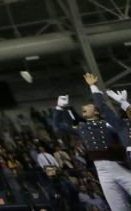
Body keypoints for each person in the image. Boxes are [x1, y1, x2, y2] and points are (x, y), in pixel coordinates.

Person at [52, 73, 131, 210]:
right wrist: (59, 107)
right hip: (102, 172)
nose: (84, 107)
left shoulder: (106, 124)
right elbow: (58, 124)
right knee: (118, 208)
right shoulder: (81, 128)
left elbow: (122, 126)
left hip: (119, 167)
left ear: (96, 112)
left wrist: (125, 106)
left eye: (89, 105)